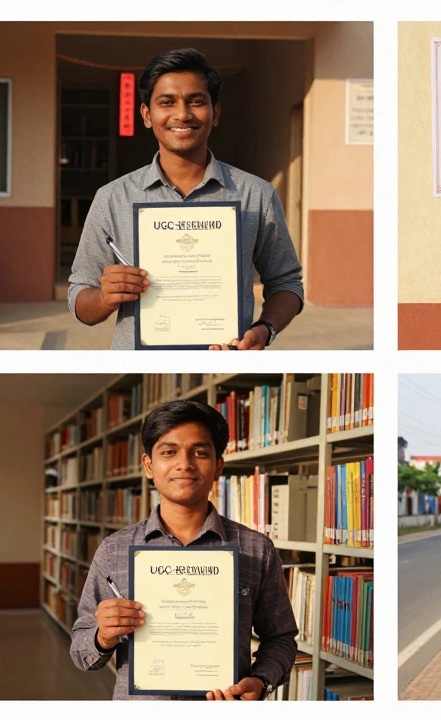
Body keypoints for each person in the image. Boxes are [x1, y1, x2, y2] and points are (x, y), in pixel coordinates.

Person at [67, 48, 304, 351]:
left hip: (224, 358)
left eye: (196, 101)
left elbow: (286, 282)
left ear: (216, 113)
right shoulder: (112, 199)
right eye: (167, 102)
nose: (182, 114)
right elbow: (79, 296)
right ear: (146, 114)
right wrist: (104, 298)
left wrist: (264, 329)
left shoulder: (256, 195)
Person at [69, 400, 298, 699]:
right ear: (148, 465)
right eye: (169, 452)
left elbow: (280, 638)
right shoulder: (114, 550)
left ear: (218, 467)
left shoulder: (257, 549)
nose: (184, 464)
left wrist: (261, 681)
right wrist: (103, 637)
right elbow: (81, 653)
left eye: (199, 452)